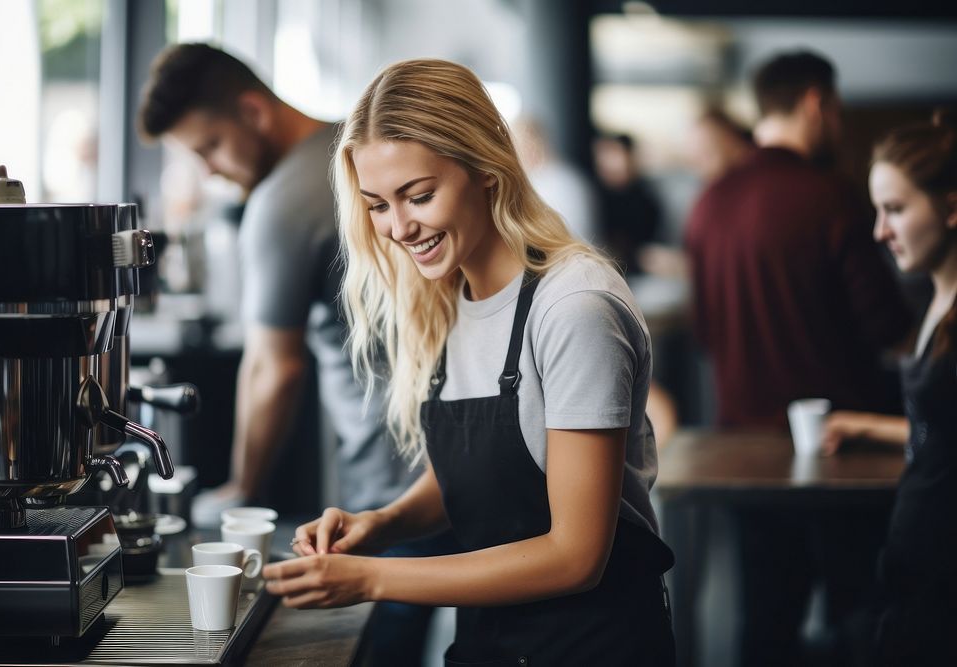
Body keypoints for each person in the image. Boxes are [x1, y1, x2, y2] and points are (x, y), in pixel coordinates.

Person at [261, 58, 676, 666]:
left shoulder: (574, 307)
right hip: (490, 643)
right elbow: (474, 477)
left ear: (485, 167)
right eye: (377, 204)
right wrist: (382, 524)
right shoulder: (450, 296)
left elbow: (576, 555)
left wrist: (371, 579)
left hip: (593, 646)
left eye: (419, 196)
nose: (399, 227)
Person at [137, 44, 445, 665]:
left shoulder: (282, 200)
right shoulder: (351, 149)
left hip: (392, 485)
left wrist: (239, 489)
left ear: (253, 110)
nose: (212, 171)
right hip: (447, 466)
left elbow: (273, 366)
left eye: (210, 147)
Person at [684, 51, 913, 667]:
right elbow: (888, 326)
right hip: (842, 450)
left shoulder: (708, 204)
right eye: (835, 110)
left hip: (742, 450)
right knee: (860, 611)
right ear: (817, 103)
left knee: (763, 617)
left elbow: (706, 330)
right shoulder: (830, 197)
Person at [822, 112, 957, 665]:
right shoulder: (936, 300)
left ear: (951, 207)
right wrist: (865, 424)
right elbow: (941, 433)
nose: (880, 231)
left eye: (896, 210)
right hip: (919, 559)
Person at [511, 113, 601, 244]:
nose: (522, 151)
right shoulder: (525, 183)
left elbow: (578, 234)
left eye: (526, 143)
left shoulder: (567, 183)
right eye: (517, 145)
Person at [593, 133, 664, 274]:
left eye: (614, 154)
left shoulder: (646, 199)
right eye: (603, 155)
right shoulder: (594, 196)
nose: (607, 161)